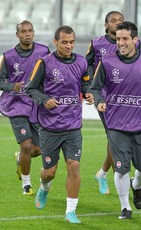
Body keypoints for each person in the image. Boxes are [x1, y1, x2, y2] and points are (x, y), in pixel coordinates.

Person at [26, 26, 94, 224]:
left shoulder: (81, 62)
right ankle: (44, 187)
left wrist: (89, 93)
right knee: (50, 172)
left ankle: (70, 211)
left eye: (72, 42)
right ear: (55, 42)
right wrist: (44, 99)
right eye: (64, 42)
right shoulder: (44, 63)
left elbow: (86, 84)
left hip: (73, 126)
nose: (69, 46)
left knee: (74, 165)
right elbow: (31, 89)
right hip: (50, 127)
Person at [0, 20, 50, 195]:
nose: (27, 34)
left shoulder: (43, 52)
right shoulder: (9, 56)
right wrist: (12, 86)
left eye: (30, 31)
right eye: (23, 31)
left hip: (35, 105)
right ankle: (26, 184)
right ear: (17, 34)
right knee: (26, 145)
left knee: (38, 150)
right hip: (16, 105)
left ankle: (20, 158)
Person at [91, 21, 141, 220]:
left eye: (125, 39)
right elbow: (95, 88)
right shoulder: (108, 61)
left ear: (135, 40)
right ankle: (125, 207)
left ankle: (136, 185)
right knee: (121, 167)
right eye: (118, 38)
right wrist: (100, 101)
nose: (120, 42)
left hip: (139, 125)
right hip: (116, 124)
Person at [86, 11, 124, 195]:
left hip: (125, 96)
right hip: (104, 96)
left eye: (120, 21)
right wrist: (91, 85)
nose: (117, 23)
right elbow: (87, 64)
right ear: (106, 25)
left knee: (120, 136)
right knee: (114, 136)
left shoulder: (132, 43)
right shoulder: (96, 43)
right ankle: (121, 179)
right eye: (113, 21)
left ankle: (102, 173)